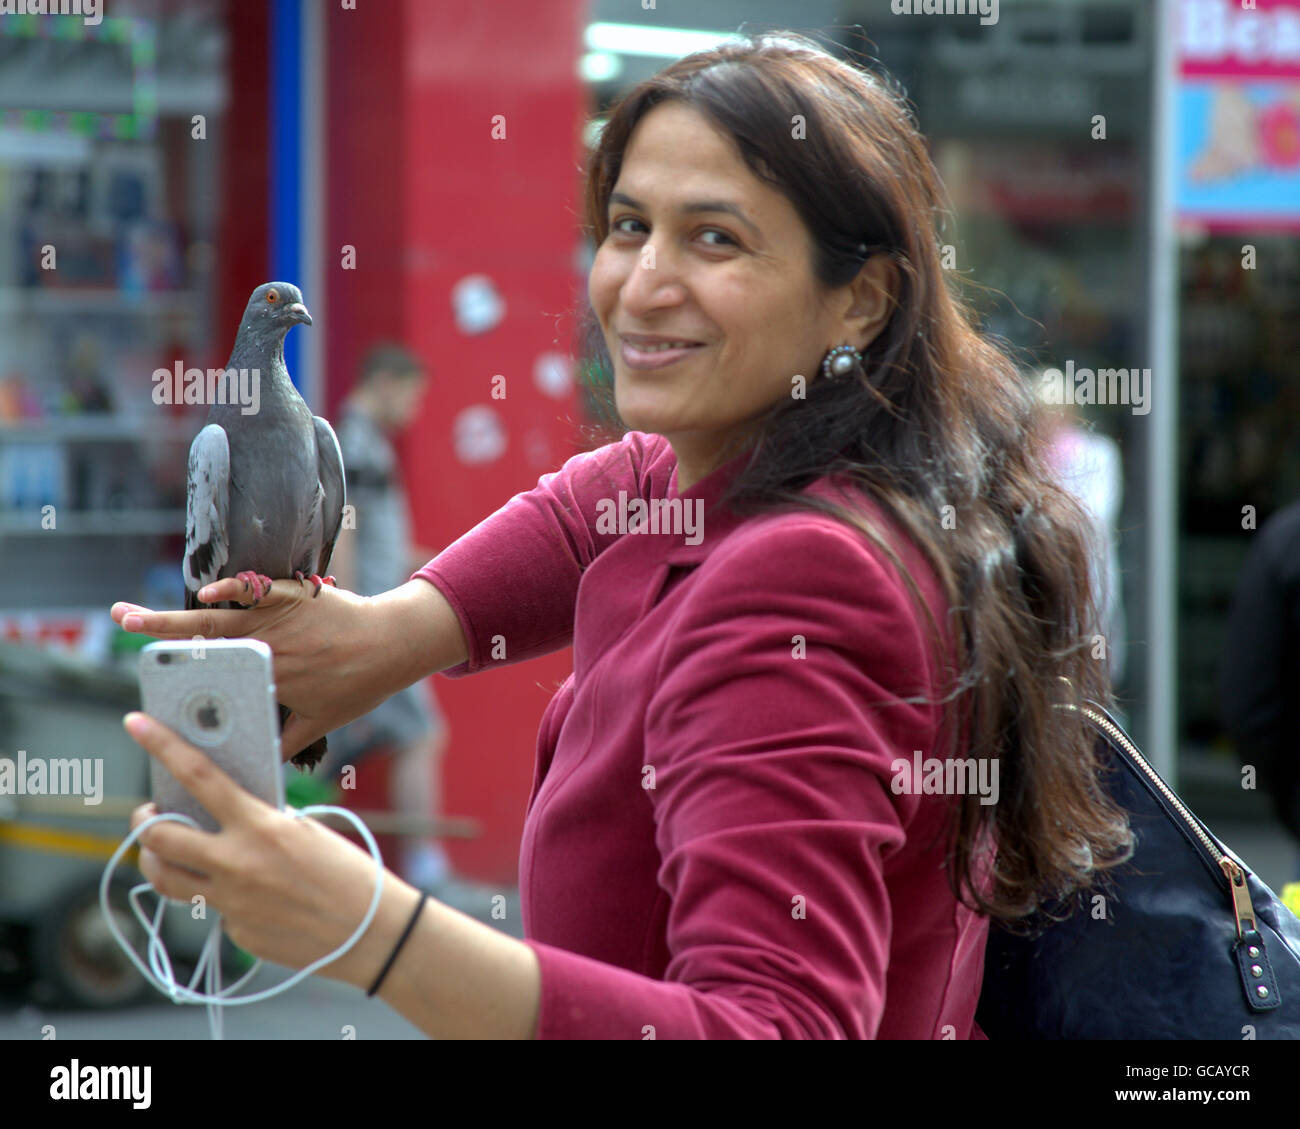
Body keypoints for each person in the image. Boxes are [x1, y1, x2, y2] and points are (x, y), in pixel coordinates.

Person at [110, 32, 1132, 1039]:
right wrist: (383, 637)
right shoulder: (745, 462)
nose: (640, 285)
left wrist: (368, 928)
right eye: (629, 224)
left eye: (715, 238)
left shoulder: (802, 574)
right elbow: (583, 511)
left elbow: (774, 1024)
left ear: (858, 298)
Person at [325, 343, 496, 915]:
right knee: (421, 734)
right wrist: (347, 613)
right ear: (387, 382)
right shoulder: (358, 446)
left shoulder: (363, 443)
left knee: (322, 750)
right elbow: (341, 532)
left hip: (371, 616)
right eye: (414, 394)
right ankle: (428, 874)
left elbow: (381, 545)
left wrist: (457, 562)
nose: (417, 407)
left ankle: (284, 852)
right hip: (375, 622)